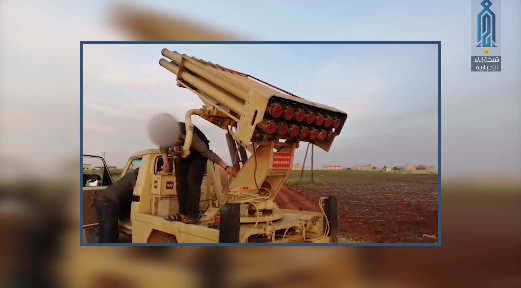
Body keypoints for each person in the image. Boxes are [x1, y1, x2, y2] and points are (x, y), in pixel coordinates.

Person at [160, 122, 236, 224]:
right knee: (180, 182)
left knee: (192, 181)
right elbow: (163, 146)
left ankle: (192, 215)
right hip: (183, 154)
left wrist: (226, 168)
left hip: (198, 154)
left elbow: (207, 153)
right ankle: (182, 213)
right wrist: (165, 161)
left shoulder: (189, 134)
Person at [95, 169, 139, 243]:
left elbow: (126, 196)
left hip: (101, 201)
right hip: (109, 203)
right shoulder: (133, 177)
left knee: (103, 231)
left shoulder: (127, 177)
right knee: (110, 232)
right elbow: (137, 192)